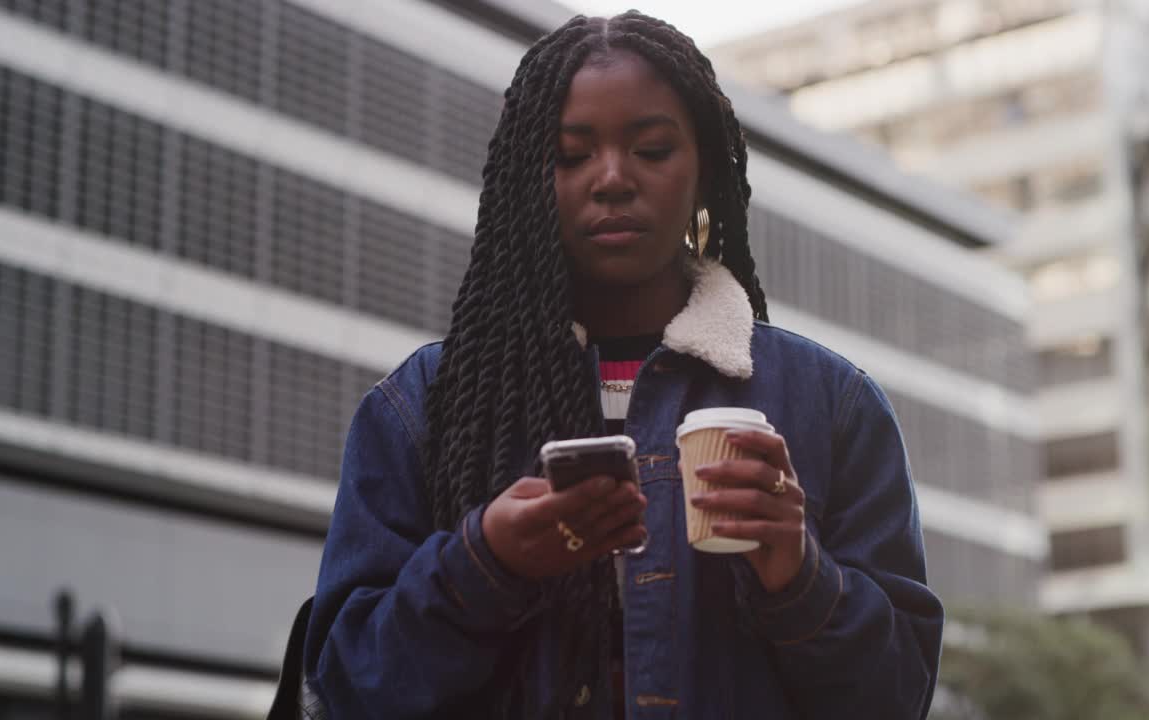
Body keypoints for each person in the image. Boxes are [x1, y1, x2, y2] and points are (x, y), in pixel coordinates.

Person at [303, 11, 943, 719]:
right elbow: (347, 686)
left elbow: (899, 699)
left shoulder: (833, 404)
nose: (611, 179)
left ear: (704, 170)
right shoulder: (420, 406)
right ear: (527, 182)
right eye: (571, 155)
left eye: (652, 148)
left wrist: (799, 575)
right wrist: (485, 562)